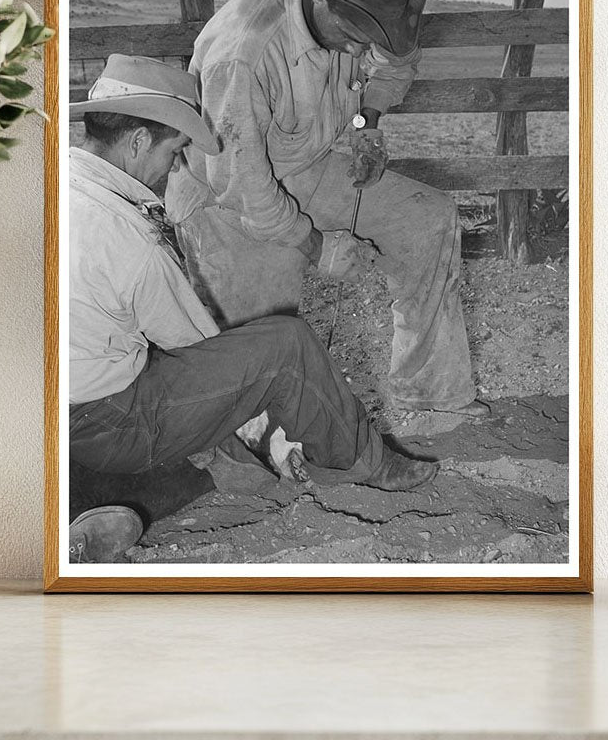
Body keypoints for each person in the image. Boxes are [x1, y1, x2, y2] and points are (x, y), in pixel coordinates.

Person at [67, 55, 437, 559]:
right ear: (136, 142)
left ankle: (214, 468)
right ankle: (364, 465)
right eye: (174, 149)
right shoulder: (128, 235)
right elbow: (197, 347)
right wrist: (271, 427)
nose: (175, 165)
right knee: (285, 344)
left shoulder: (55, 183)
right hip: (106, 421)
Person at [166, 0, 478, 417]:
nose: (363, 47)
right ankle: (251, 437)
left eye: (375, 33)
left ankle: (431, 398)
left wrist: (368, 124)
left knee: (429, 220)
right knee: (270, 334)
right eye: (356, 32)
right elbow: (246, 189)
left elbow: (396, 58)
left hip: (306, 161)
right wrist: (315, 246)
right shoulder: (242, 52)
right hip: (225, 202)